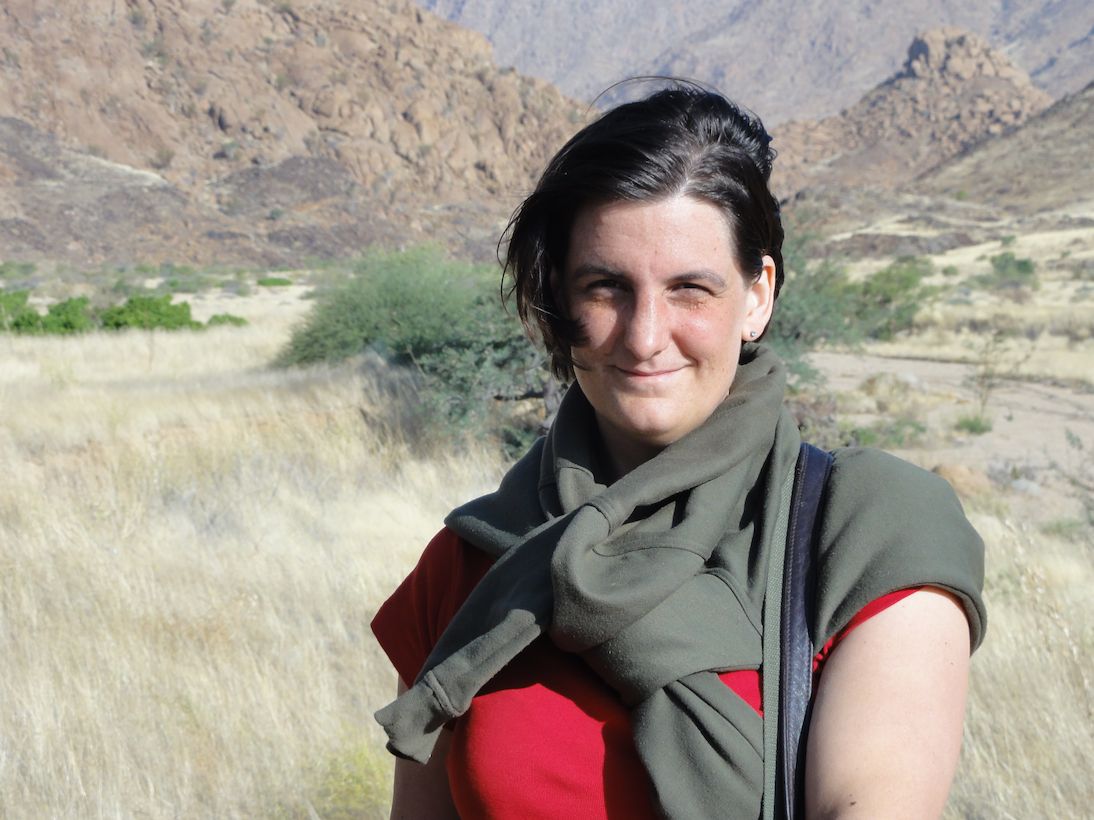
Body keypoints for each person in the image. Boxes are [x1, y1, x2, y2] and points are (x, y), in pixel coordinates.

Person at [372, 85, 986, 819]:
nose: (644, 337)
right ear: (559, 296)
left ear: (757, 295)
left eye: (690, 289)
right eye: (605, 287)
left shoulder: (867, 530)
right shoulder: (473, 563)